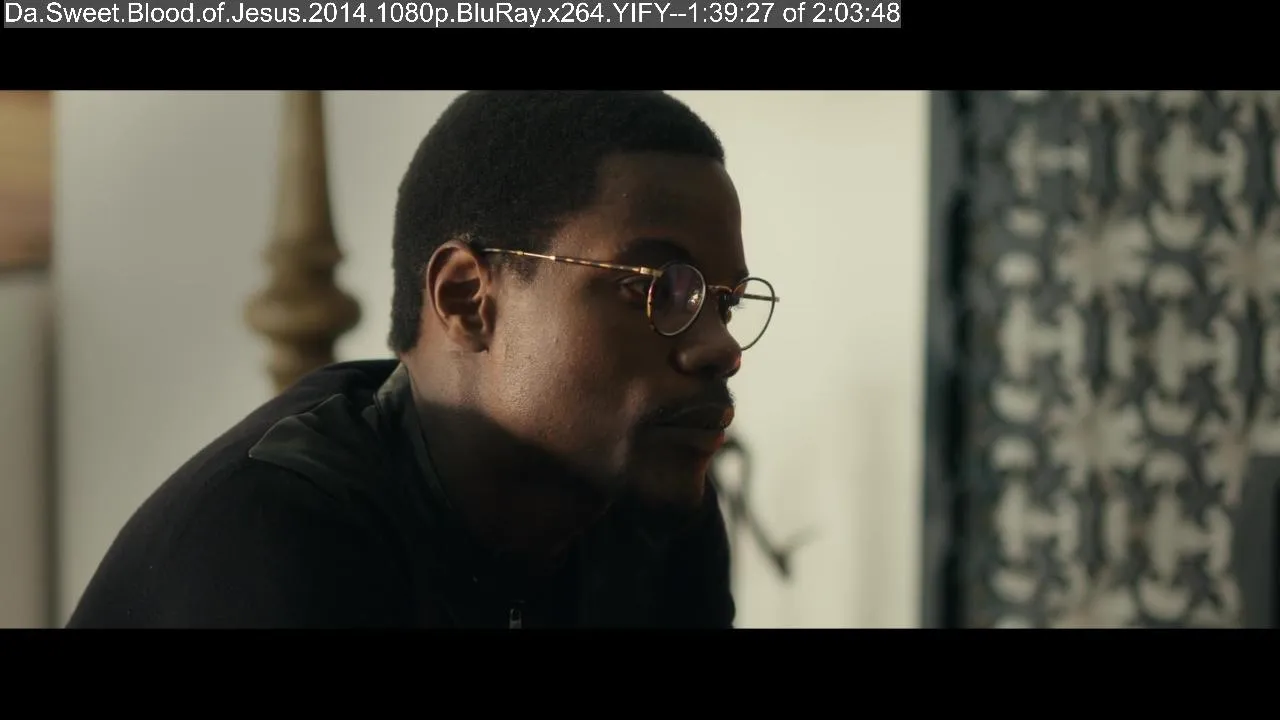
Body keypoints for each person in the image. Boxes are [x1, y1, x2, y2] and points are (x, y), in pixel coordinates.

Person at [66, 90, 780, 629]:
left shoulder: (650, 514)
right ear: (467, 298)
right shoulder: (274, 542)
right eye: (654, 288)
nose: (720, 347)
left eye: (725, 304)